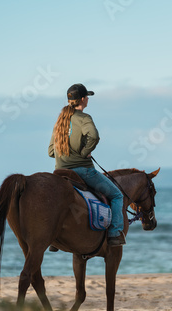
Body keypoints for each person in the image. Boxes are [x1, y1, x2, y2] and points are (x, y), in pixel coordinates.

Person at [48, 83, 126, 246]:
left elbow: (50, 151)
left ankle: (54, 241)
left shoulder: (60, 120)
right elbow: (95, 136)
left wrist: (65, 153)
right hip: (82, 171)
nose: (88, 99)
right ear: (82, 99)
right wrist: (84, 152)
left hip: (59, 171)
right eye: (87, 97)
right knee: (117, 195)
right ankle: (115, 233)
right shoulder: (84, 118)